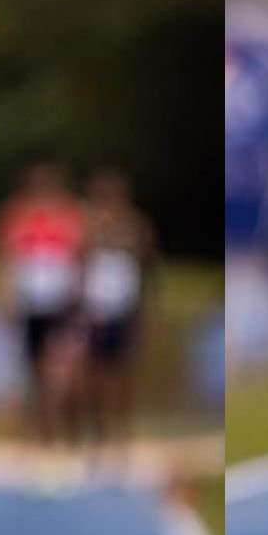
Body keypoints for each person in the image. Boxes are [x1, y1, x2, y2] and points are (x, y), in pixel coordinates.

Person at [0, 164, 88, 445]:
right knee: (32, 369)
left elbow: (81, 258)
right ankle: (37, 432)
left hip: (60, 303)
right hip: (29, 303)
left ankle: (63, 429)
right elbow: (3, 259)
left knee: (61, 371)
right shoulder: (15, 215)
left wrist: (78, 295)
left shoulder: (71, 215)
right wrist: (1, 296)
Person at [78, 169, 158, 452]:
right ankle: (97, 437)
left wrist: (146, 313)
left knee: (123, 378)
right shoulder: (87, 227)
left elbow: (148, 272)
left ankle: (121, 438)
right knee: (93, 378)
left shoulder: (137, 226)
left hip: (125, 311)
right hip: (94, 312)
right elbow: (78, 267)